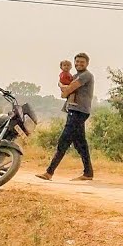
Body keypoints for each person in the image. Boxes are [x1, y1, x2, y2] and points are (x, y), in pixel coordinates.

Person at [36, 52, 94, 181]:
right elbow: (65, 92)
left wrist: (61, 86)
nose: (79, 64)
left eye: (82, 62)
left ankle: (49, 172)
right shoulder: (74, 75)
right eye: (77, 62)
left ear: (87, 64)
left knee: (63, 141)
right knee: (80, 144)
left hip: (78, 112)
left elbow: (65, 92)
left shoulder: (86, 75)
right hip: (74, 110)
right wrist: (64, 88)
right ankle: (88, 173)